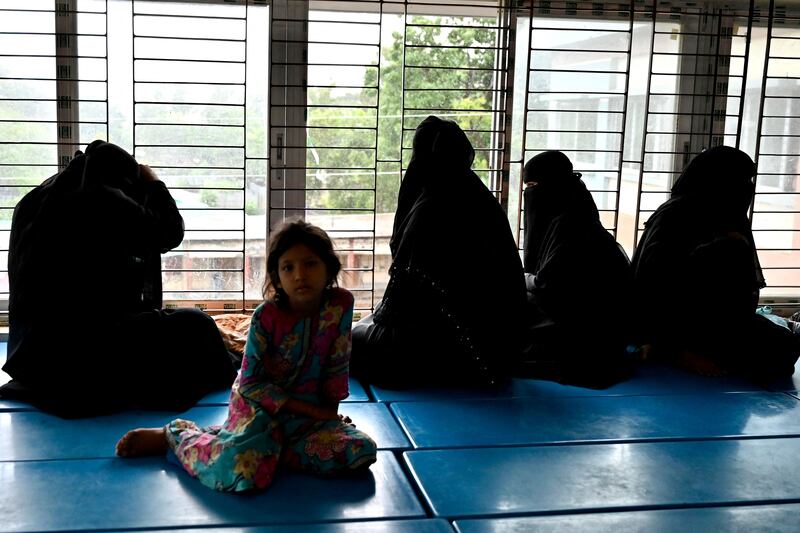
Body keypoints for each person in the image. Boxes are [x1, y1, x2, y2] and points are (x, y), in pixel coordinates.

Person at [116, 220, 377, 493]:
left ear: (329, 269)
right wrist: (313, 412)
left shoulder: (340, 305)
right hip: (258, 410)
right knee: (245, 472)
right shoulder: (266, 317)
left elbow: (337, 364)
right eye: (288, 267)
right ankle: (175, 436)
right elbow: (251, 385)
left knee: (360, 450)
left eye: (310, 264)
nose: (300, 275)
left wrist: (328, 418)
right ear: (277, 276)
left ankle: (265, 448)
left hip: (307, 421)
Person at [1, 140, 236, 417]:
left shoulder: (33, 201)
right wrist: (154, 182)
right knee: (199, 325)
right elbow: (170, 230)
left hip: (33, 362)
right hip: (84, 360)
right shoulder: (101, 196)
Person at [350, 116, 527, 388]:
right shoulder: (480, 199)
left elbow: (401, 306)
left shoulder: (430, 209)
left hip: (448, 353)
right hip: (498, 353)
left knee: (349, 342)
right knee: (370, 322)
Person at [631, 146, 799, 379]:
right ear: (718, 179)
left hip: (718, 318)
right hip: (677, 320)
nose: (747, 188)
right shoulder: (677, 214)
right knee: (768, 357)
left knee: (784, 347)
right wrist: (720, 246)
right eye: (740, 180)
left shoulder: (726, 212)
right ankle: (672, 351)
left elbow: (738, 289)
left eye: (749, 180)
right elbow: (656, 282)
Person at [518, 151, 632, 387]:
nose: (529, 194)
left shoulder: (570, 225)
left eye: (532, 186)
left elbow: (549, 286)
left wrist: (523, 278)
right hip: (602, 329)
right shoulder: (577, 210)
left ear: (550, 186)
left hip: (584, 331)